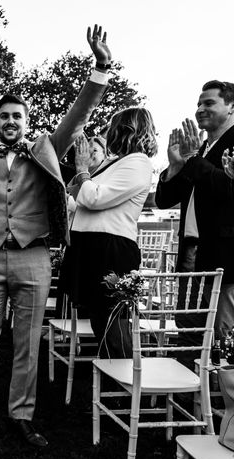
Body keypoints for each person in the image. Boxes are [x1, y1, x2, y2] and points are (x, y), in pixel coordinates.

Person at [0, 25, 112, 448]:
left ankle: (20, 413)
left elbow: (78, 115)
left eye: (17, 116)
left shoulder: (46, 150)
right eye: (4, 116)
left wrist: (100, 67)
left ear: (27, 122)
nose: (10, 122)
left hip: (35, 257)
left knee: (28, 341)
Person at [60, 108, 156, 358]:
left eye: (113, 127)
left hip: (110, 250)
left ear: (126, 130)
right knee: (99, 320)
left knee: (112, 323)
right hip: (91, 245)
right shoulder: (116, 163)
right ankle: (111, 376)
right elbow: (76, 197)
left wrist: (82, 169)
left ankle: (129, 381)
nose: (109, 132)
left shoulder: (138, 162)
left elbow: (94, 197)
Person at [155, 80, 234, 367]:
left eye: (209, 103)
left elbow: (228, 189)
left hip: (225, 255)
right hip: (191, 251)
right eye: (198, 104)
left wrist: (192, 161)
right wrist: (176, 165)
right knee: (188, 325)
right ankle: (185, 396)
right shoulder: (199, 149)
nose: (200, 109)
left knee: (222, 331)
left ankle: (219, 401)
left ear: (232, 106)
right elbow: (165, 199)